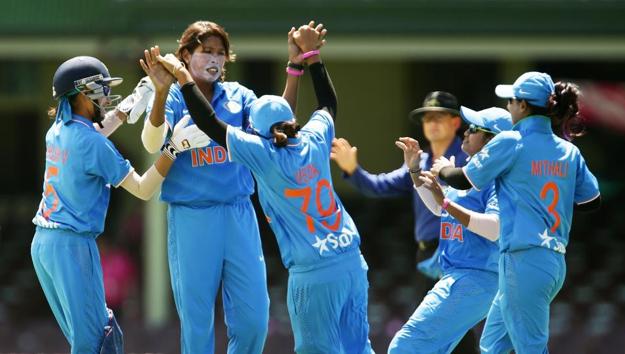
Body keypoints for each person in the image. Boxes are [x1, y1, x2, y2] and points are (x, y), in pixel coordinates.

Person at [146, 22, 374, 354]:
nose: (214, 59)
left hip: (242, 214)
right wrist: (306, 60)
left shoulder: (254, 131)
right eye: (206, 51)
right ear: (186, 53)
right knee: (198, 323)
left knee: (256, 320)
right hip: (193, 214)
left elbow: (215, 124)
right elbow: (320, 108)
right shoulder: (312, 136)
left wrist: (183, 80)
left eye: (220, 53)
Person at [31, 56, 208, 354]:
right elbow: (142, 188)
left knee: (93, 339)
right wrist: (174, 148)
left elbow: (92, 135)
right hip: (72, 247)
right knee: (96, 342)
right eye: (100, 89)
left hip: (44, 244)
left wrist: (133, 104)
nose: (105, 96)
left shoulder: (57, 131)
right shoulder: (94, 145)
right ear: (83, 93)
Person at [433, 71, 601, 353]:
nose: (508, 107)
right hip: (552, 261)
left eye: (510, 101)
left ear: (522, 106)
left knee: (530, 348)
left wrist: (441, 170)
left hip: (523, 260)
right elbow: (590, 201)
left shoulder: (511, 140)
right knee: (492, 345)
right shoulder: (568, 151)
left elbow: (464, 179)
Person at [388, 107, 512, 354]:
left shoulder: (496, 179)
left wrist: (446, 202)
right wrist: (414, 170)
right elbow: (439, 209)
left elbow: (495, 228)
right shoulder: (468, 172)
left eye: (475, 129)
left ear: (492, 142)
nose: (466, 132)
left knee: (403, 348)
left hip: (474, 278)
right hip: (460, 277)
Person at [331, 91, 468, 278]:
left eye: (439, 117)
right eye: (427, 118)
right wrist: (352, 170)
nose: (432, 123)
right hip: (427, 255)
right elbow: (379, 186)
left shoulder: (467, 158)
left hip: (461, 251)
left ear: (455, 122)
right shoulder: (418, 161)